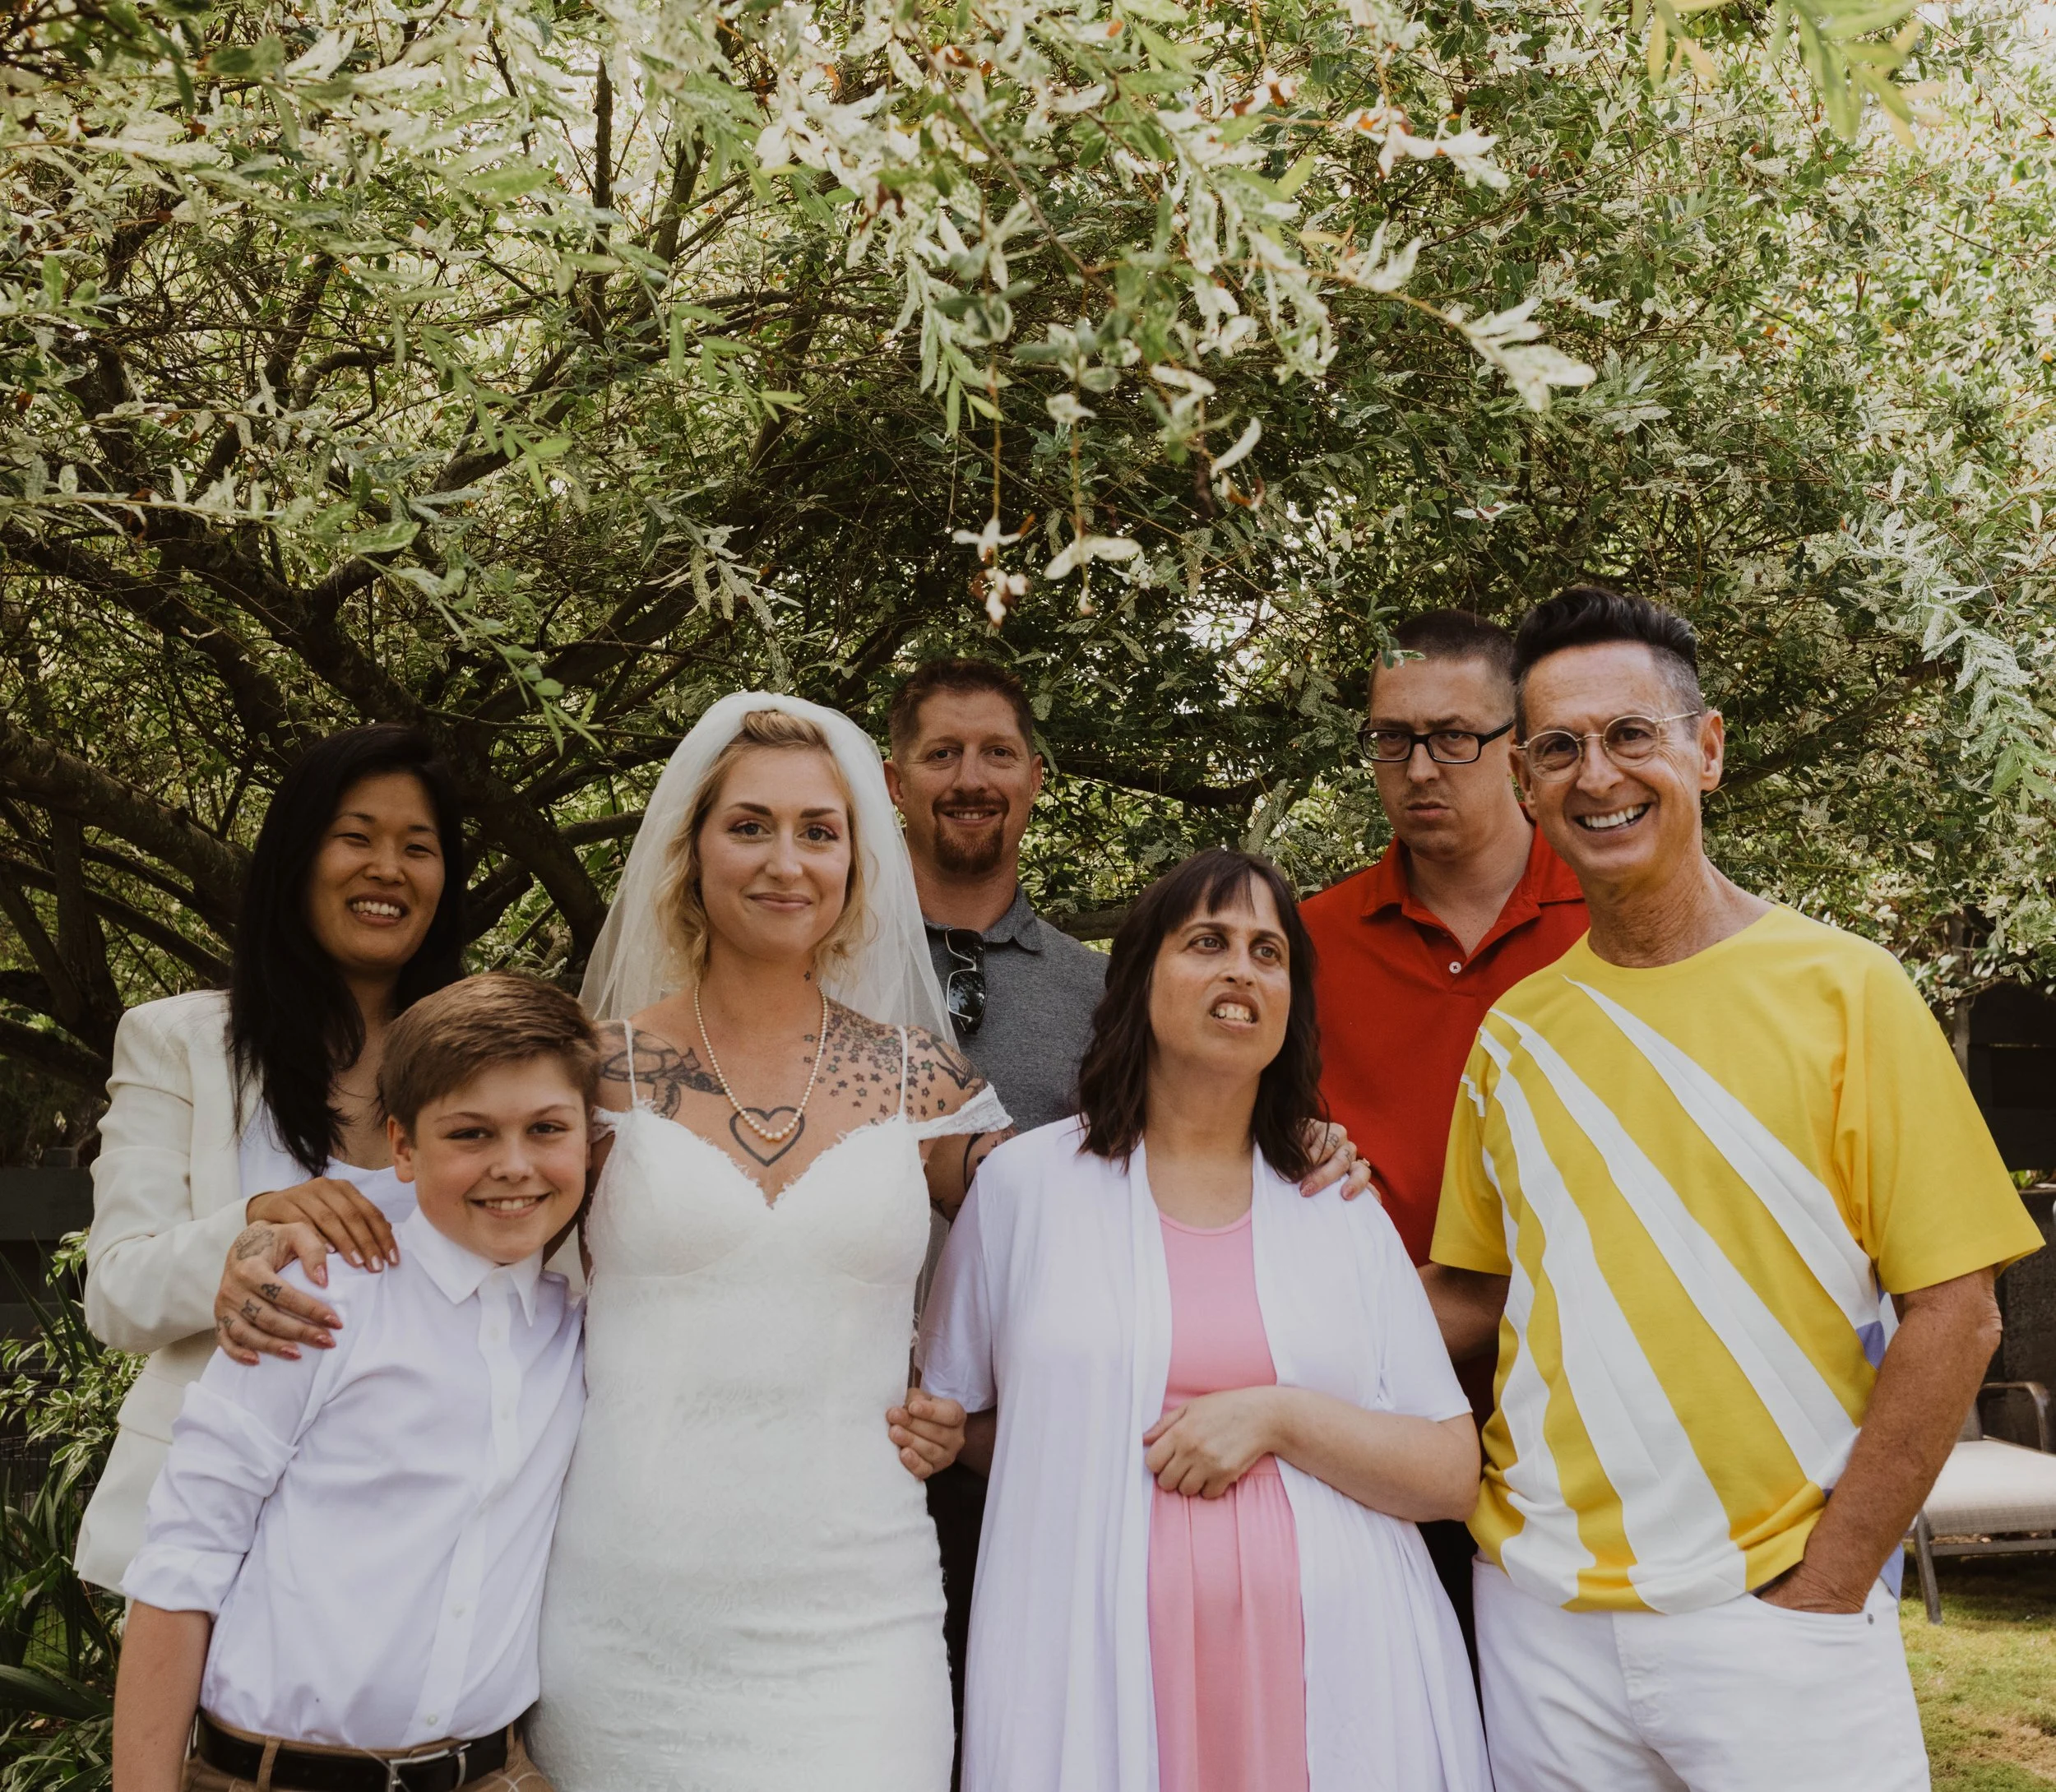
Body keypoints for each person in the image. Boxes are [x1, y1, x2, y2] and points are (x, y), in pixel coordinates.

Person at [1426, 586, 2046, 1792]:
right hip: (1539, 1617)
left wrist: (1828, 1578)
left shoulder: (1846, 988)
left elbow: (1958, 1311)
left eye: (1631, 733)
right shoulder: (1514, 1034)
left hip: (1775, 1616)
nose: (1596, 772)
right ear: (1526, 786)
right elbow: (1473, 1295)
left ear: (1706, 749)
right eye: (1558, 747)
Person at [884, 657, 1374, 1766]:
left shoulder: (1102, 989)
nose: (971, 776)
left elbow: (1195, 1140)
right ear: (893, 778)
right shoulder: (821, 973)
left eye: (997, 751)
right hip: (849, 1438)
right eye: (942, 752)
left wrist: (1303, 1139)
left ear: (1037, 777)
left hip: (1054, 1455)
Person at [920, 848, 1491, 1792]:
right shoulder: (1023, 1189)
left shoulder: (1335, 1204)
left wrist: (1276, 1416)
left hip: (1340, 1664)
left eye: (1269, 952)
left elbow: (1448, 1472)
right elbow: (957, 1420)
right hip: (1094, 1668)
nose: (1241, 968)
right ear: (1139, 975)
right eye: (1207, 942)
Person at [525, 694, 1004, 1790]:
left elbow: (1071, 1238)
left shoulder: (920, 1079)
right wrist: (286, 1220)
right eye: (749, 825)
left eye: (819, 830)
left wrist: (1279, 1140)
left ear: (855, 862)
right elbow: (467, 1258)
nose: (786, 859)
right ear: (690, 851)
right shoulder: (588, 1072)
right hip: (626, 1611)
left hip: (860, 1618)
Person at [113, 972, 597, 1792]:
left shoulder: (575, 1327)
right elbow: (183, 1561)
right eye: (470, 1134)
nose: (513, 1166)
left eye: (546, 1128)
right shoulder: (310, 1302)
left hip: (492, 1772)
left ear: (591, 1137)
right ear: (403, 1148)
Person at [78, 725, 465, 1591]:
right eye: (355, 837)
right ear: (295, 859)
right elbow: (116, 1294)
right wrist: (253, 1223)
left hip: (424, 1527)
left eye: (418, 847)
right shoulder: (179, 1042)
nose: (388, 868)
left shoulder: (480, 1065)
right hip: (209, 1538)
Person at [1299, 609, 1587, 1654]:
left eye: (1452, 736)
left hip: (1591, 1453)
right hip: (1370, 1451)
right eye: (1391, 737)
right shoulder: (1302, 946)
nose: (1420, 766)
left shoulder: (1614, 920)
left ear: (1517, 746)